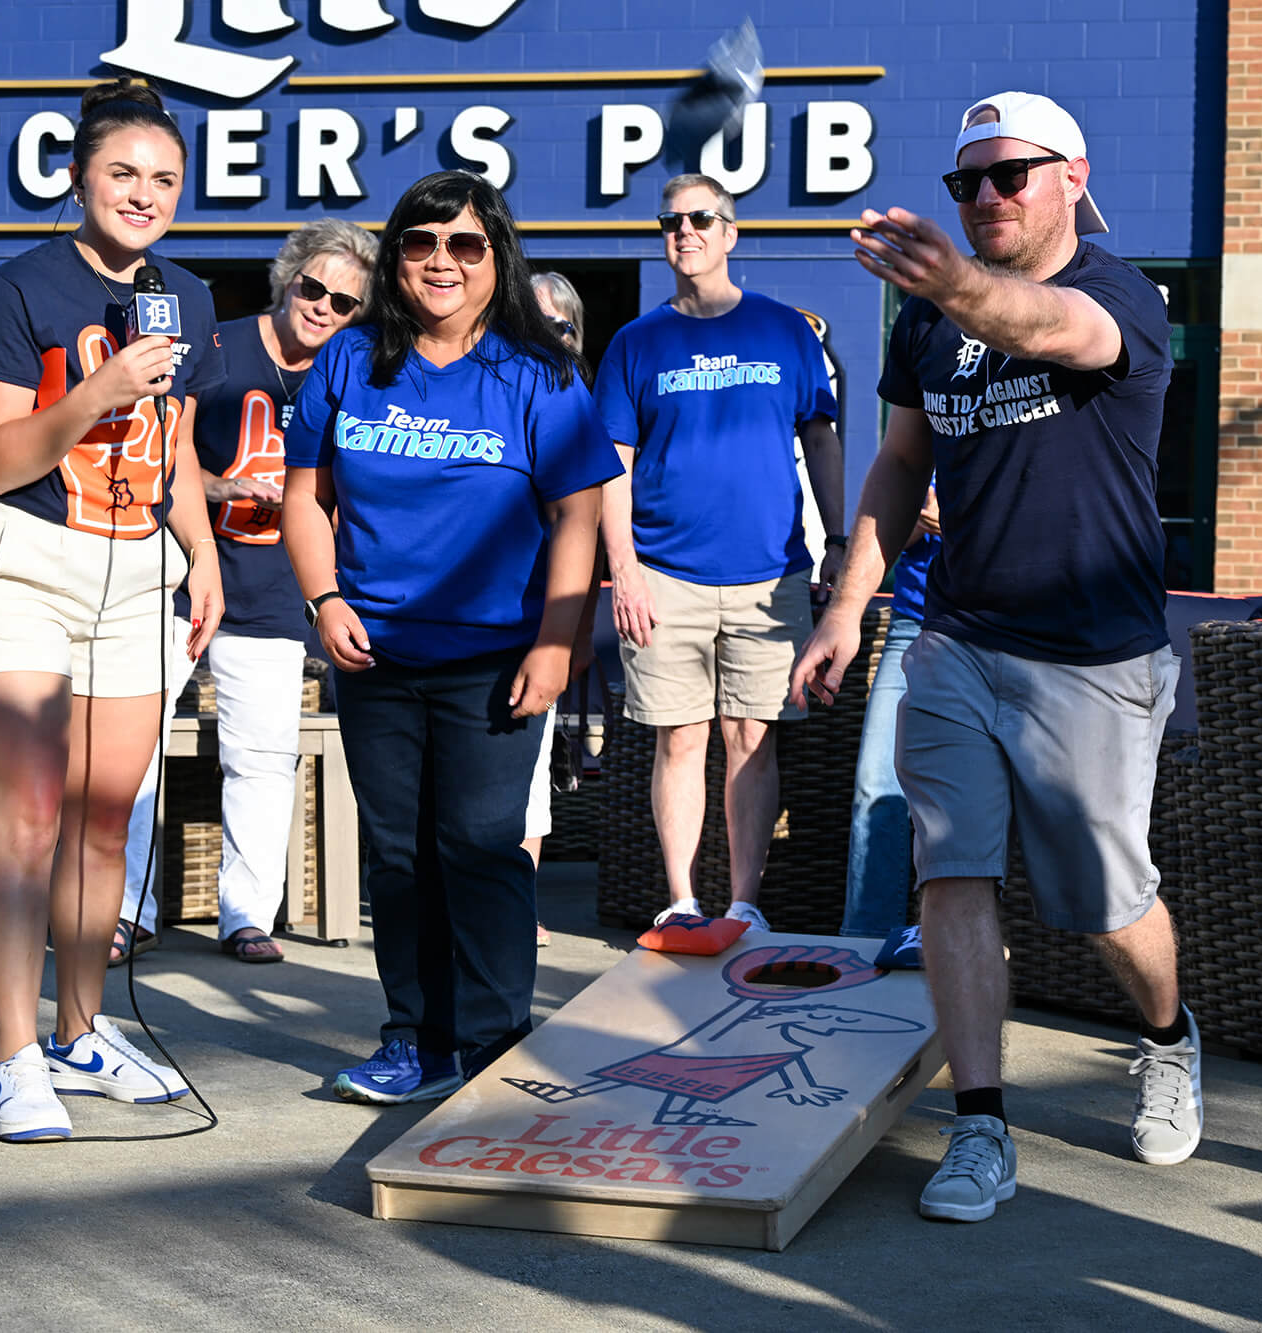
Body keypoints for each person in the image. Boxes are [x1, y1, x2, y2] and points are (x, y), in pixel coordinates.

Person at [792, 90, 1197, 1224]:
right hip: (957, 635)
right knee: (950, 873)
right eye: (964, 182)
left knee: (1104, 899)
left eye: (1006, 175)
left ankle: (1167, 1037)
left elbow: (1045, 329)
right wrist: (844, 606)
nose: (982, 197)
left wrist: (950, 283)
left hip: (1091, 658)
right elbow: (897, 466)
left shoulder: (1121, 295)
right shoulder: (926, 323)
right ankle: (979, 1124)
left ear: (1072, 174)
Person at [281, 170, 619, 1104]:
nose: (442, 262)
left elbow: (578, 520)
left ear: (495, 257)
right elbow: (304, 499)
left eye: (465, 245)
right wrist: (324, 599)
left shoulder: (540, 372)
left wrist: (558, 643)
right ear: (394, 258)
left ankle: (495, 1042)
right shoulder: (349, 362)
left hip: (493, 659)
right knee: (398, 855)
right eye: (421, 244)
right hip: (374, 655)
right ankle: (415, 1041)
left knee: (479, 844)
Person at [0, 78, 222, 1140]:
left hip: (133, 572)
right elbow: (1, 454)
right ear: (77, 177)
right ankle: (12, 1057)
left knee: (106, 822)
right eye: (123, 174)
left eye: (163, 180)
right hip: (20, 564)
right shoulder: (17, 291)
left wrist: (201, 556)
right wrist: (95, 395)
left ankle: (80, 1030)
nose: (143, 195)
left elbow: (181, 451)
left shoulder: (187, 298)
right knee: (25, 824)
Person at [114, 218, 376, 965]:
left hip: (269, 587)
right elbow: (150, 451)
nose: (324, 306)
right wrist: (226, 484)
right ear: (288, 277)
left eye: (345, 301)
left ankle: (246, 914)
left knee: (263, 754)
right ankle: (128, 909)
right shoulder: (216, 345)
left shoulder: (355, 369)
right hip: (172, 575)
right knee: (134, 746)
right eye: (314, 287)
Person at [593, 173, 844, 935]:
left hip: (774, 576)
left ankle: (742, 903)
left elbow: (822, 437)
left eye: (702, 218)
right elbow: (614, 463)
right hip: (666, 575)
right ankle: (681, 899)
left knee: (752, 739)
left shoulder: (785, 331)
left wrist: (837, 542)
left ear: (731, 233)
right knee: (680, 738)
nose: (686, 231)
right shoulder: (637, 343)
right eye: (671, 221)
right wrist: (624, 570)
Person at [525, 269, 593, 948]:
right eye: (533, 322)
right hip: (481, 609)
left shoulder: (585, 413)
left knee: (531, 762)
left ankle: (517, 903)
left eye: (562, 326)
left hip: (549, 613)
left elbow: (592, 530)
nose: (548, 338)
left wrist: (573, 631)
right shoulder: (481, 393)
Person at [841, 484, 939, 939]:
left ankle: (952, 939)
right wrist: (916, 524)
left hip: (994, 629)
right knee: (875, 786)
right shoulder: (923, 428)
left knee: (968, 799)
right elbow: (886, 544)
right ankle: (865, 943)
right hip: (912, 626)